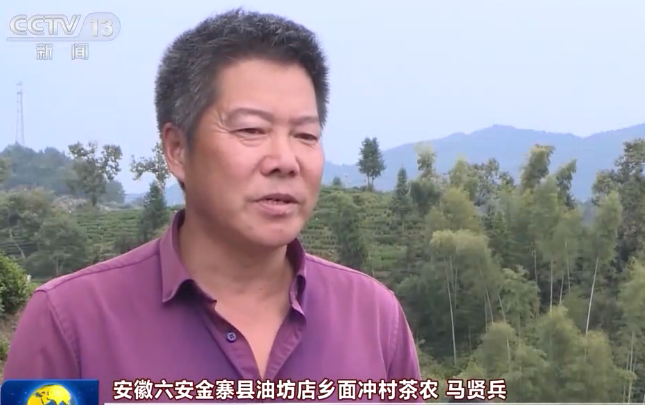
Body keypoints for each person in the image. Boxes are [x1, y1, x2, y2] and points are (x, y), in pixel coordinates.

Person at [4, 9, 422, 402]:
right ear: (177, 149)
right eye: (251, 129)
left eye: (306, 136)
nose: (285, 160)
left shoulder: (374, 318)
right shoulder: (70, 323)